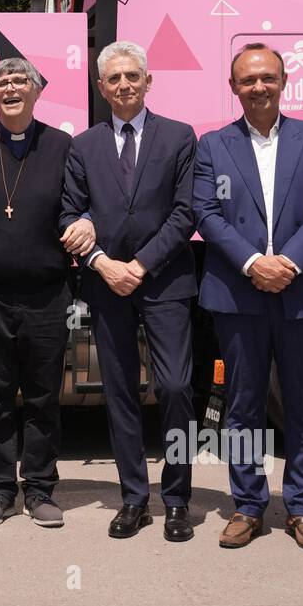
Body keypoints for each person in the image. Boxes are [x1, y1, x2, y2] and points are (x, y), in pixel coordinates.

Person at [193, 43, 303, 552]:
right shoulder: (213, 145)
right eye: (247, 80)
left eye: (267, 78)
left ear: (283, 82)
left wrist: (289, 263)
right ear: (232, 87)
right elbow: (206, 213)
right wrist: (254, 263)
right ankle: (248, 505)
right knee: (243, 405)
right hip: (240, 293)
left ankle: (302, 507)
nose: (258, 87)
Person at [60, 40, 199, 542]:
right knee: (118, 392)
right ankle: (134, 499)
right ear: (101, 87)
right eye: (113, 79)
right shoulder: (83, 145)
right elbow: (70, 213)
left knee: (178, 388)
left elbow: (187, 212)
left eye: (132, 76)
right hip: (105, 284)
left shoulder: (180, 137)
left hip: (165, 281)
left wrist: (137, 265)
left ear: (147, 81)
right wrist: (100, 262)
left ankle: (178, 499)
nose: (123, 85)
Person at [0, 58, 72, 528]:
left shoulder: (63, 145)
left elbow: (78, 205)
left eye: (19, 81)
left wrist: (83, 222)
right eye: (1, 82)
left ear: (36, 91)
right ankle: (0, 490)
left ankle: (41, 488)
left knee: (44, 396)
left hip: (47, 294)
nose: (10, 88)